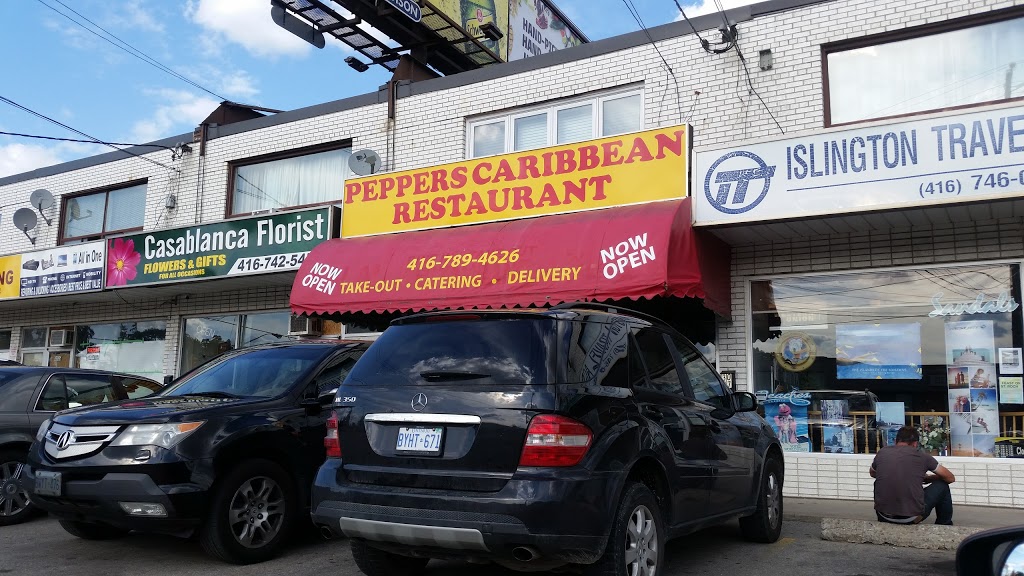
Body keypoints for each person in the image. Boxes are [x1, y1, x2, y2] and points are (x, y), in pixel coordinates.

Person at [869, 426, 955, 525]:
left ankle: (885, 514)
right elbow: (950, 478)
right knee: (942, 486)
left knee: (878, 482)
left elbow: (872, 473)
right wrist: (931, 478)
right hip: (911, 518)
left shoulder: (882, 452)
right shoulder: (923, 456)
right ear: (915, 444)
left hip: (883, 515)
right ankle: (944, 525)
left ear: (896, 440)